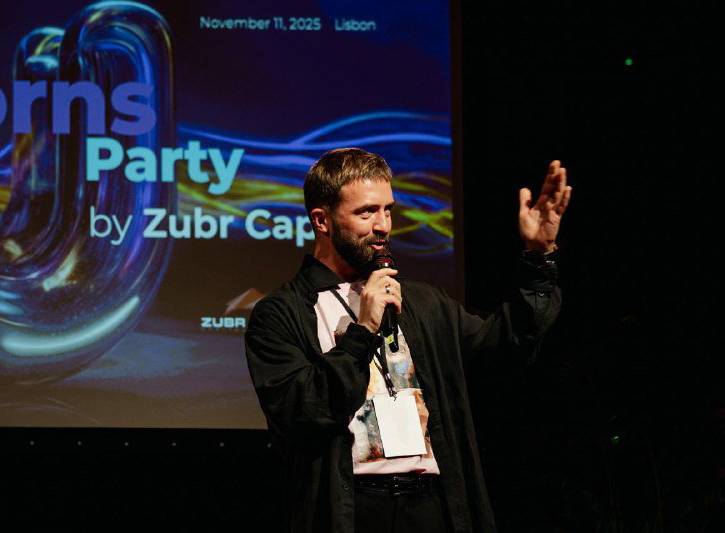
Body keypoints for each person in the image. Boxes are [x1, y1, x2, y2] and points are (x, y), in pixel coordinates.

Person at [244, 148, 572, 532]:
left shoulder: (422, 301)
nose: (383, 225)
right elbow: (301, 412)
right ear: (322, 220)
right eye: (366, 212)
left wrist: (538, 257)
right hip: (353, 508)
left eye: (388, 210)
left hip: (431, 505)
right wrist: (362, 330)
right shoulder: (281, 314)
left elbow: (506, 344)